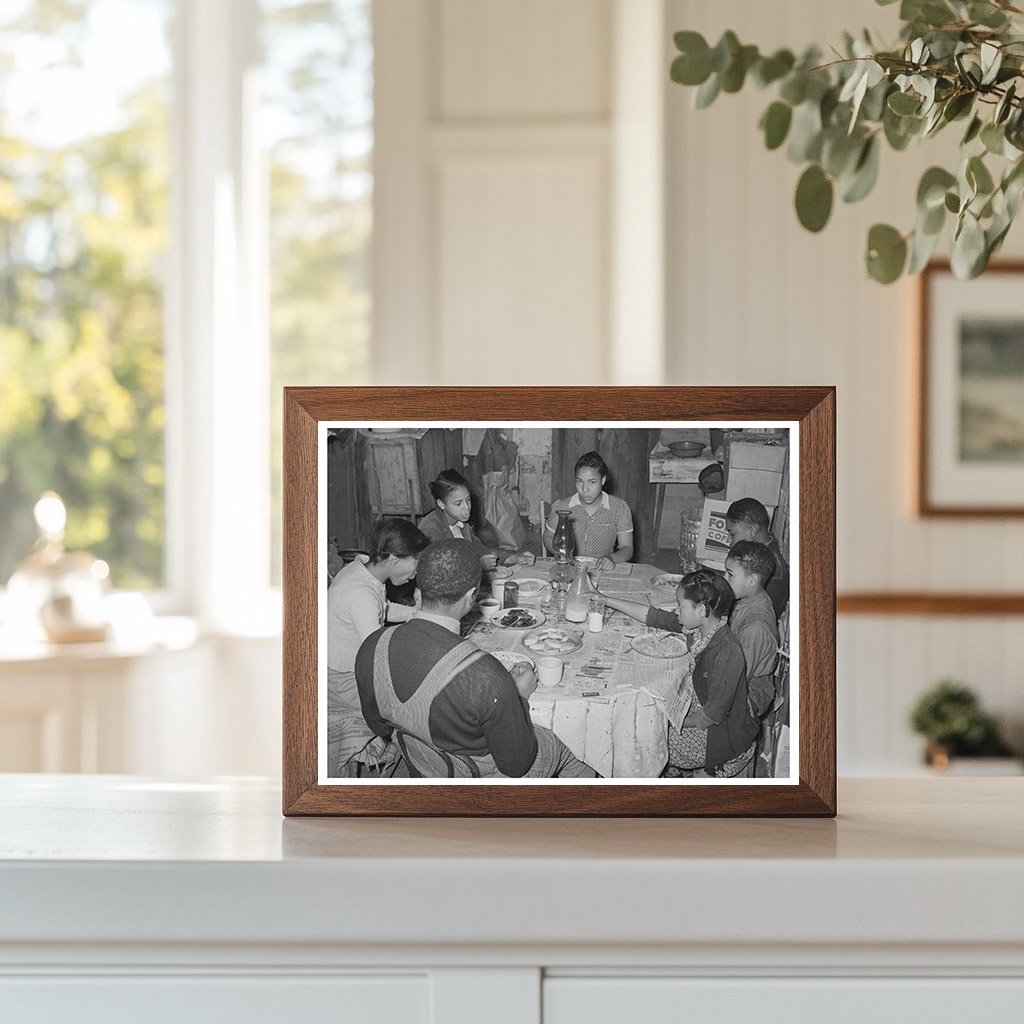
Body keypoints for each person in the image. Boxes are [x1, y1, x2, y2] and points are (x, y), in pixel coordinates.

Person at [355, 539, 597, 778]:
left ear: (419, 592)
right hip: (474, 774)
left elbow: (379, 726)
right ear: (472, 597)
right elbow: (516, 765)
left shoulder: (372, 646)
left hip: (422, 763)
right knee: (565, 746)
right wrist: (519, 696)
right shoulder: (484, 674)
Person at [597, 570, 757, 777]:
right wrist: (605, 600)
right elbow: (654, 617)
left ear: (701, 609)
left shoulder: (728, 652)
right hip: (699, 711)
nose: (676, 611)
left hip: (719, 737)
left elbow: (710, 716)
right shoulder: (703, 625)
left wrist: (668, 720)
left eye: (680, 605)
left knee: (637, 739)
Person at [326, 518, 430, 776]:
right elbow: (378, 655)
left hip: (343, 667)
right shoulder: (360, 594)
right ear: (394, 559)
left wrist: (417, 613)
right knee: (416, 707)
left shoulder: (362, 569)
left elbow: (382, 608)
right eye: (414, 564)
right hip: (343, 682)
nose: (415, 574)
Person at [418, 469, 534, 570]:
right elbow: (437, 573)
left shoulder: (461, 523)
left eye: (468, 500)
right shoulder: (430, 530)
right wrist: (477, 566)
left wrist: (515, 558)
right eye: (458, 504)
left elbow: (480, 550)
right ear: (441, 504)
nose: (467, 507)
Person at [543, 451, 633, 571]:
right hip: (569, 568)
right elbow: (548, 537)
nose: (585, 489)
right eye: (580, 481)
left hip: (601, 570)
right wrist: (561, 554)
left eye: (592, 482)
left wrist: (612, 558)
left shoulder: (619, 508)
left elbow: (627, 547)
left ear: (603, 480)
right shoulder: (563, 507)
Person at [723, 541, 779, 720]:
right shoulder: (749, 596)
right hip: (735, 665)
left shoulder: (755, 628)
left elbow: (736, 681)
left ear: (752, 580)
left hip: (750, 692)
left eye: (730, 575)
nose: (724, 579)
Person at [725, 497, 789, 620]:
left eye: (732, 534)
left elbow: (761, 618)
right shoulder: (750, 553)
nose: (729, 541)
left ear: (752, 531)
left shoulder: (775, 574)